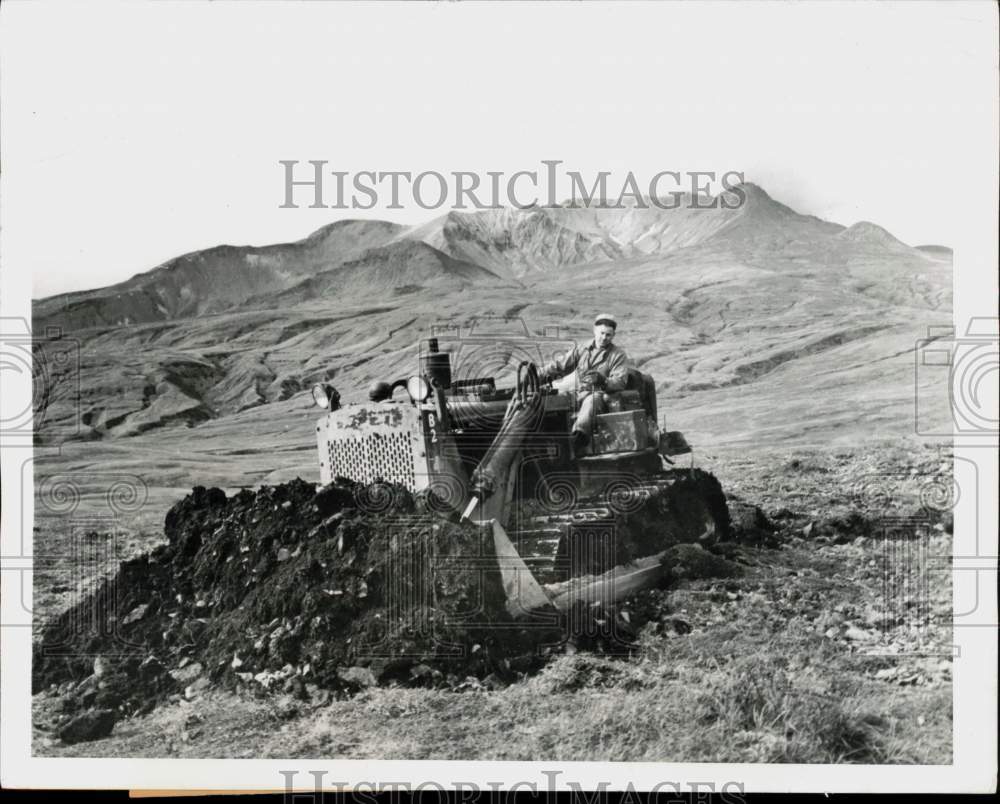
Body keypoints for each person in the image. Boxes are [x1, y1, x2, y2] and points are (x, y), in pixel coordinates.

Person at [539, 313, 629, 451]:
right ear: (594, 331)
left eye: (608, 335)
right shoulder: (583, 348)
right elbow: (560, 365)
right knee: (552, 401)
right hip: (578, 392)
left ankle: (578, 437)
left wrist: (603, 381)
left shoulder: (618, 355)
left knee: (591, 401)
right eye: (602, 333)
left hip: (599, 394)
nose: (604, 338)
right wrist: (537, 374)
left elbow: (620, 381)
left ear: (613, 335)